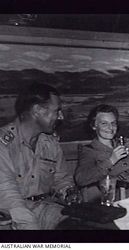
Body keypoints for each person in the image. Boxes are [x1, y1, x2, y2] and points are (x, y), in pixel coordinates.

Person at [0, 83, 80, 230]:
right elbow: (7, 194)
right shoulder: (4, 143)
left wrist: (68, 192)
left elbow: (62, 179)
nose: (60, 117)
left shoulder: (50, 143)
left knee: (83, 226)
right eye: (57, 111)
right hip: (10, 215)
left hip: (44, 209)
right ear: (37, 110)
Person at [75, 104, 129, 202]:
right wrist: (111, 160)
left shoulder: (124, 144)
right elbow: (81, 179)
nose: (110, 128)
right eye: (104, 123)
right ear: (94, 126)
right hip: (120, 196)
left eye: (113, 123)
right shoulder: (89, 151)